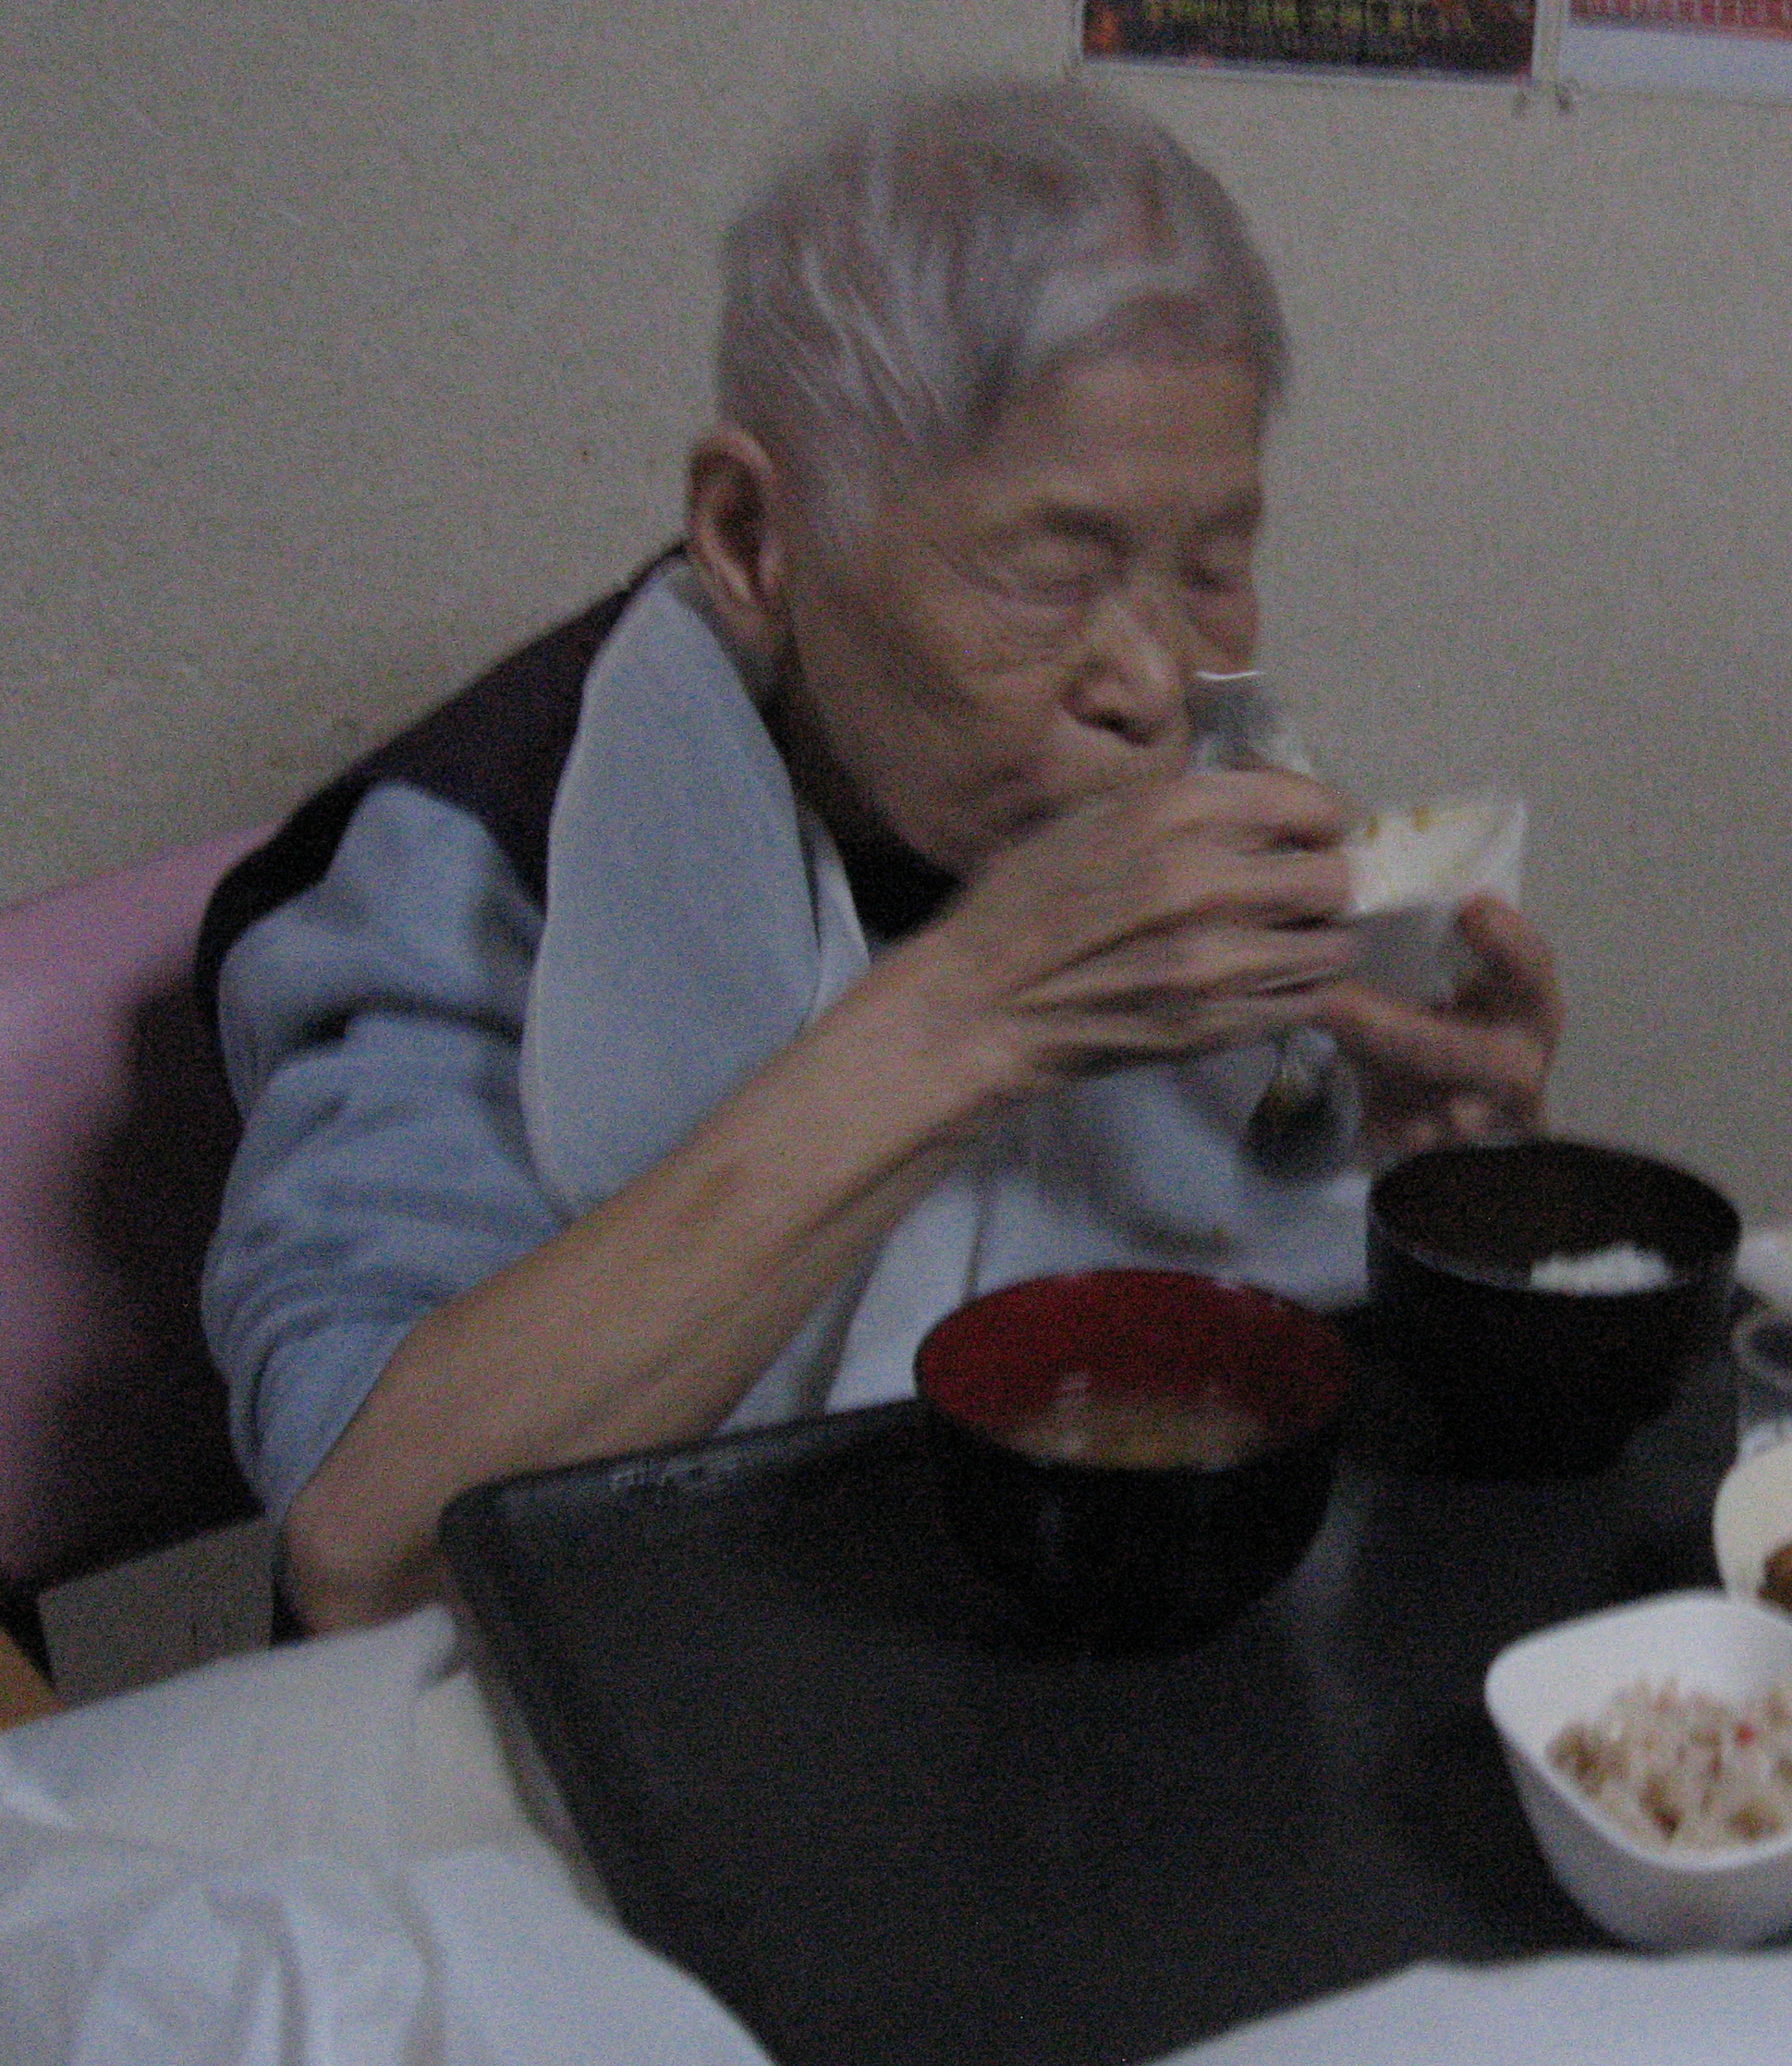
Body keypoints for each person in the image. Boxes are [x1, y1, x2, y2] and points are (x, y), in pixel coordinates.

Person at [196, 77, 1561, 1636]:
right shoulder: (480, 859)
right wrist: (972, 1018)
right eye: (1048, 574)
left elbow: (1283, 1338)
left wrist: (1436, 1185)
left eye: (1214, 567)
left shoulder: (1218, 782)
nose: (1154, 682)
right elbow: (365, 1550)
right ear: (751, 536)